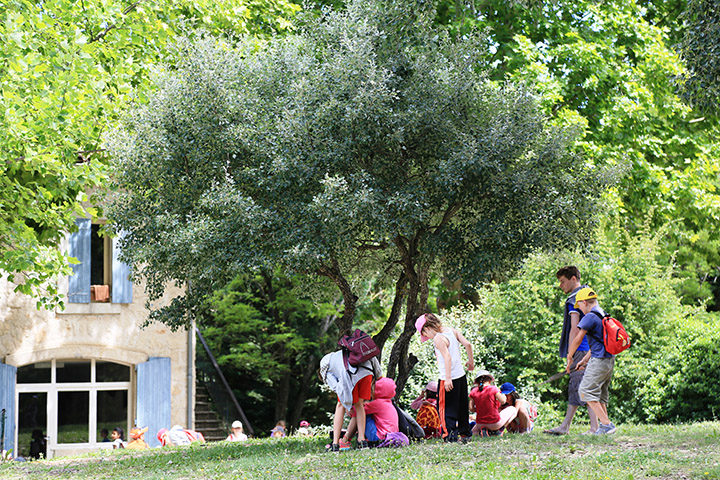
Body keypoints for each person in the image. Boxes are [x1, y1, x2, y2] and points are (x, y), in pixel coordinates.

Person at [544, 266, 599, 435]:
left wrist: (570, 354)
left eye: (562, 281)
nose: (560, 285)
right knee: (578, 387)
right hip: (592, 348)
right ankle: (566, 426)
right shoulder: (589, 295)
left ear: (573, 279)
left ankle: (595, 428)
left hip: (581, 350)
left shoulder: (575, 299)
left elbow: (574, 329)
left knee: (582, 387)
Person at [415, 313, 474, 442]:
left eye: (424, 334)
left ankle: (449, 436)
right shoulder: (452, 331)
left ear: (427, 328)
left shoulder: (438, 338)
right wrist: (471, 362)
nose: (426, 337)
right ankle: (465, 434)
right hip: (461, 376)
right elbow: (468, 344)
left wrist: (447, 379)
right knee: (462, 406)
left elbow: (447, 357)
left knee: (445, 409)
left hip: (448, 378)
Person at [567, 287, 617, 435]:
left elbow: (577, 338)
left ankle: (607, 424)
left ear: (584, 302)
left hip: (600, 360)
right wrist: (584, 360)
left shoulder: (589, 317)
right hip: (608, 360)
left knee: (585, 391)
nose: (580, 310)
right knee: (600, 394)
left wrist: (570, 356)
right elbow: (599, 342)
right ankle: (604, 427)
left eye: (579, 306)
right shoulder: (602, 314)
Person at [319, 348, 382, 452]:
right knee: (360, 405)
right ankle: (362, 441)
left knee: (340, 406)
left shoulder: (325, 366)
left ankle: (335, 443)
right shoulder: (354, 350)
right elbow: (378, 373)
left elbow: (337, 388)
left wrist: (346, 403)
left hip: (349, 374)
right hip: (367, 372)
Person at [339, 376, 399, 449]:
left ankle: (345, 440)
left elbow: (356, 411)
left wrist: (349, 409)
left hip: (378, 437)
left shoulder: (378, 403)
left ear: (378, 391)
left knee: (360, 414)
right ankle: (350, 438)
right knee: (363, 413)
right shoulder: (388, 402)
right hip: (389, 436)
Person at [469, 371, 517, 436]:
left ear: (477, 382)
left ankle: (483, 431)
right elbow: (503, 401)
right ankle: (499, 430)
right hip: (494, 424)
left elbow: (471, 408)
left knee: (474, 432)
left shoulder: (473, 391)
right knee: (513, 409)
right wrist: (502, 395)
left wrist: (479, 409)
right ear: (489, 380)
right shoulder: (493, 389)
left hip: (480, 423)